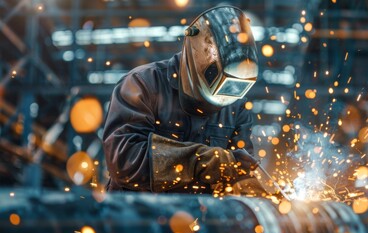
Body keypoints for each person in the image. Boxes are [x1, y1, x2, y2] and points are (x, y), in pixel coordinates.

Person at [102, 6, 266, 197]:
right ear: (200, 51)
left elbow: (240, 174)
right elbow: (125, 161)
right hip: (138, 218)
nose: (225, 98)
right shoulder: (143, 84)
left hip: (197, 221)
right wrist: (206, 162)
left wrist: (263, 198)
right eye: (217, 79)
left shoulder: (236, 107)